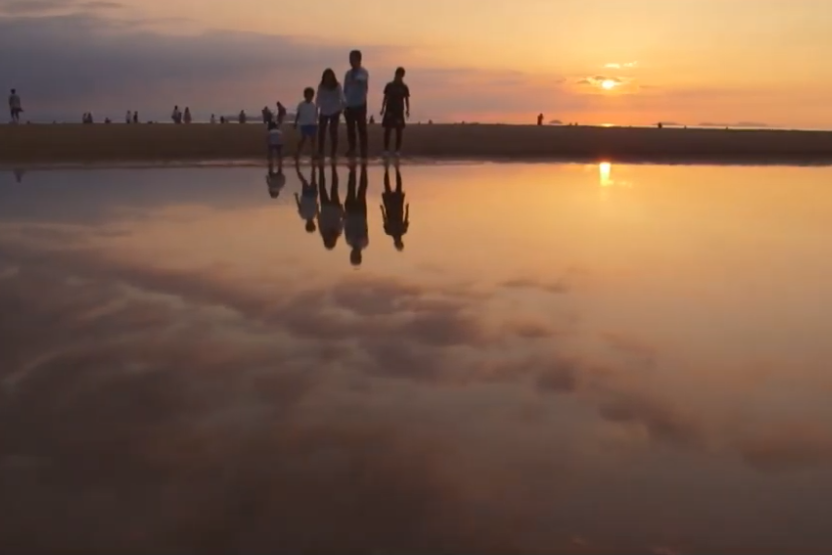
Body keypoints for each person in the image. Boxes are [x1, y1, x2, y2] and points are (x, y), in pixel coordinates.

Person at [343, 50, 369, 158]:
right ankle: (352, 149)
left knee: (361, 128)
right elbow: (345, 89)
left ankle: (364, 150)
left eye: (353, 59)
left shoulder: (363, 72)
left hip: (360, 104)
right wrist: (344, 104)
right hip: (349, 104)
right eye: (350, 59)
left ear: (358, 59)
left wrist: (356, 71)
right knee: (350, 129)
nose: (351, 61)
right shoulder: (348, 74)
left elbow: (360, 80)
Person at [380, 67, 410, 157]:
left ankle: (397, 150)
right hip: (390, 110)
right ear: (395, 74)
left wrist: (408, 110)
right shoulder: (389, 86)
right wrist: (382, 108)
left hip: (399, 111)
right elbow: (385, 97)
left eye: (401, 76)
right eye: (398, 75)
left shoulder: (404, 87)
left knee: (399, 131)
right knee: (387, 130)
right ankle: (386, 150)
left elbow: (406, 99)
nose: (399, 77)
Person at [380, 159, 409, 250]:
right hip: (398, 208)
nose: (399, 240)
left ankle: (387, 170)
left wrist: (382, 210)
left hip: (390, 208)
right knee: (398, 187)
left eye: (398, 243)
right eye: (400, 242)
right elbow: (406, 218)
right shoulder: (403, 230)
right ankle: (396, 170)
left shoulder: (389, 231)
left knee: (388, 187)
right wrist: (407, 209)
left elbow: (385, 220)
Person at [344, 161, 369, 266]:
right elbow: (364, 228)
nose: (352, 254)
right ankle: (362, 170)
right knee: (360, 190)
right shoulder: (362, 242)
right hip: (359, 213)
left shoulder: (351, 242)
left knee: (353, 189)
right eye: (354, 256)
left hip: (353, 212)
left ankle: (354, 170)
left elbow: (346, 226)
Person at [316, 68, 343, 158]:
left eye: (329, 77)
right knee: (321, 132)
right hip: (324, 110)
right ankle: (320, 152)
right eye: (326, 77)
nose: (328, 79)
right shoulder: (321, 86)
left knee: (333, 131)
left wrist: (342, 107)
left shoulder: (337, 86)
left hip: (335, 110)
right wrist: (317, 109)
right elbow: (318, 98)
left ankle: (333, 153)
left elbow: (341, 97)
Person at [317, 160, 343, 250]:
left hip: (325, 207)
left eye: (328, 241)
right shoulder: (338, 231)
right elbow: (343, 220)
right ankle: (333, 168)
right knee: (334, 187)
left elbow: (319, 221)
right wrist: (342, 210)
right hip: (335, 207)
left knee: (322, 186)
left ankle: (321, 169)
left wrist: (317, 210)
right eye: (331, 241)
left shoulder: (323, 232)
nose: (329, 239)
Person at [294, 160, 319, 233]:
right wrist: (296, 197)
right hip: (305, 196)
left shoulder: (314, 214)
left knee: (313, 178)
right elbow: (299, 205)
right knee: (304, 181)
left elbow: (317, 204)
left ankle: (313, 165)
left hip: (312, 195)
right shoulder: (303, 216)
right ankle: (297, 168)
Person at [294, 87, 318, 159]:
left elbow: (316, 114)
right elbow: (298, 114)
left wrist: (316, 122)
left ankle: (313, 154)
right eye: (307, 95)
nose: (309, 97)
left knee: (313, 139)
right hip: (304, 124)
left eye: (311, 95)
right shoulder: (301, 104)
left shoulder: (314, 105)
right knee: (303, 139)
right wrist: (295, 122)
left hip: (312, 124)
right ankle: (298, 153)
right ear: (305, 95)